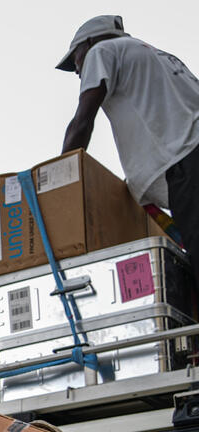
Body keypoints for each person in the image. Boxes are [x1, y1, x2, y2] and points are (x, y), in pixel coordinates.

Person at [60, 15, 199, 254]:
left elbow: (82, 122)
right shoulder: (159, 56)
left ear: (89, 42)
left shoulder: (101, 51)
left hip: (187, 164)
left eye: (75, 60)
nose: (77, 70)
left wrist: (60, 181)